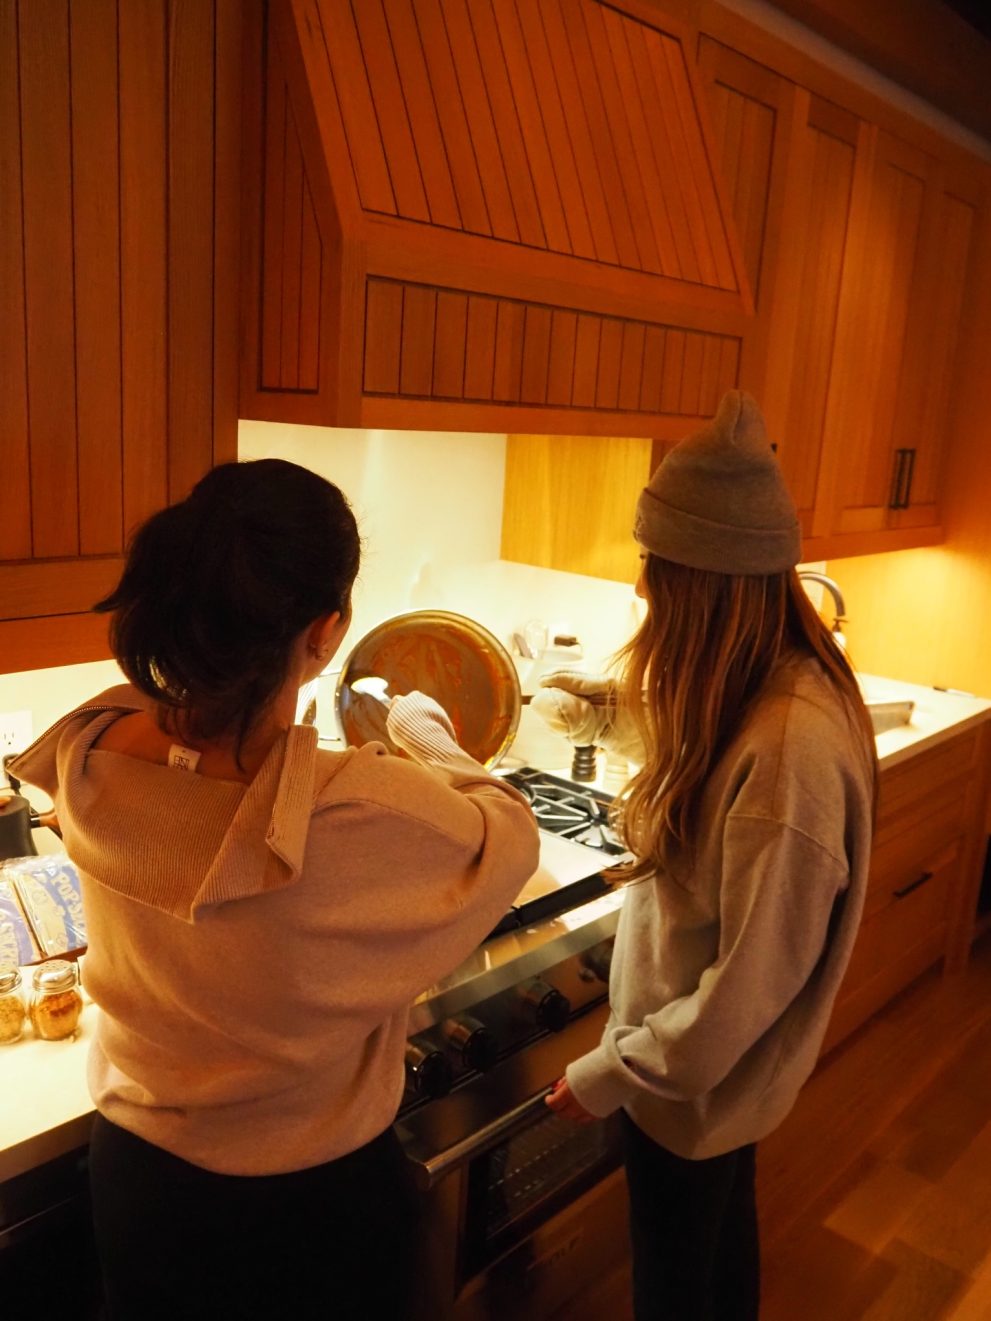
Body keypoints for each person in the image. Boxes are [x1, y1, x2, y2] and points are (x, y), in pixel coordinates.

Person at [9, 459, 539, 1321]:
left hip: (140, 1183)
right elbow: (508, 833)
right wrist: (424, 732)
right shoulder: (359, 808)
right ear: (326, 631)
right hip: (309, 1203)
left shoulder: (89, 750)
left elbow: (174, 754)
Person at [531, 391, 877, 1321]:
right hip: (707, 1084)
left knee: (675, 1285)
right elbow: (707, 742)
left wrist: (614, 1072)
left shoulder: (792, 751)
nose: (643, 592)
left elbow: (747, 984)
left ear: (704, 581)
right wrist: (602, 712)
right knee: (717, 1258)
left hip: (691, 1077)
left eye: (654, 569)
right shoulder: (768, 680)